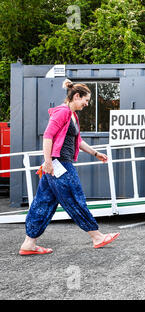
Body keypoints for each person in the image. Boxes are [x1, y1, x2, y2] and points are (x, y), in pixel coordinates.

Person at [19, 79, 119, 255]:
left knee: (43, 202)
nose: (86, 104)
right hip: (60, 165)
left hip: (55, 166)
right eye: (85, 100)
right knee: (75, 197)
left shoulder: (73, 116)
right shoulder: (63, 112)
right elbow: (48, 136)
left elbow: (77, 141)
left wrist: (95, 154)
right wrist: (48, 162)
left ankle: (29, 244)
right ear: (76, 96)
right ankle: (96, 236)